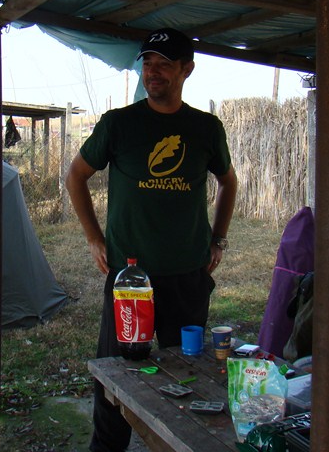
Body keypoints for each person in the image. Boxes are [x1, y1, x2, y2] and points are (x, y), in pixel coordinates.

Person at [65, 27, 238, 452]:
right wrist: (94, 238)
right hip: (131, 278)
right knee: (117, 376)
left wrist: (218, 239)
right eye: (147, 63)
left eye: (164, 64)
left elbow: (228, 182)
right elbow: (76, 176)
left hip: (187, 274)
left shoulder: (205, 128)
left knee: (188, 373)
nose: (153, 72)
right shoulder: (119, 124)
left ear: (186, 70)